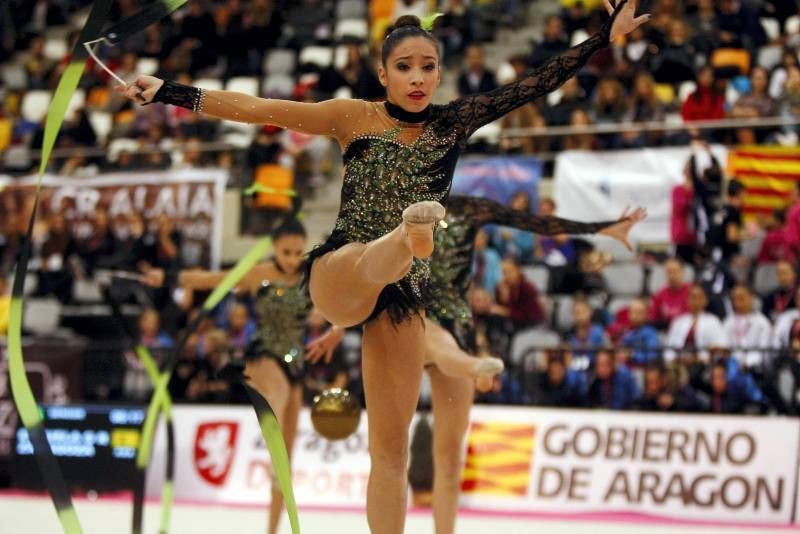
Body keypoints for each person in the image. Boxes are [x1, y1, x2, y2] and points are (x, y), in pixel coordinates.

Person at [120, 6, 649, 531]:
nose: (417, 78)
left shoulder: (455, 122)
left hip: (404, 294)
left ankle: (409, 240)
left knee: (391, 455)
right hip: (341, 274)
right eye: (404, 66)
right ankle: (406, 234)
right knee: (369, 259)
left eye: (427, 66)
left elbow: (536, 83)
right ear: (383, 73)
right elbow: (261, 108)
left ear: (440, 72)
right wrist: (169, 90)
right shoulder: (352, 116)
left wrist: (605, 36)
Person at [147, 220, 340, 534]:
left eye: (297, 252)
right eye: (285, 252)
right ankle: (269, 423)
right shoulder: (259, 273)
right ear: (275, 248)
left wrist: (337, 328)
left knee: (284, 466)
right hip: (265, 355)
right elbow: (214, 279)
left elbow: (341, 298)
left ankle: (273, 530)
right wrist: (169, 277)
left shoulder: (311, 273)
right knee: (274, 398)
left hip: (296, 364)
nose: (292, 258)